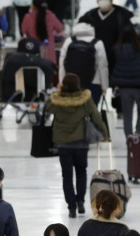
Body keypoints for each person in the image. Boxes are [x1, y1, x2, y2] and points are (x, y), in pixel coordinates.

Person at [44, 73, 110, 218]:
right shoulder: (85, 100)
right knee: (81, 172)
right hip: (81, 143)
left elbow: (46, 109)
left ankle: (71, 207)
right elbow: (96, 117)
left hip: (63, 144)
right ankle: (80, 201)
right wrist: (105, 133)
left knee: (66, 176)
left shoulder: (56, 100)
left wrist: (57, 92)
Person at [110, 25, 140, 138]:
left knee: (127, 115)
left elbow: (112, 67)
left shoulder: (117, 50)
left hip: (124, 88)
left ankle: (128, 137)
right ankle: (139, 133)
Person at [78, 0, 134, 75]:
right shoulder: (89, 16)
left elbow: (129, 38)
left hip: (116, 60)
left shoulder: (122, 16)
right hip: (94, 59)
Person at [60, 22, 110, 104]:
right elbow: (103, 66)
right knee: (91, 110)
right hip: (94, 83)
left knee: (73, 109)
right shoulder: (98, 43)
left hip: (71, 84)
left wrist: (62, 82)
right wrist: (104, 87)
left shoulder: (69, 41)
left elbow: (62, 63)